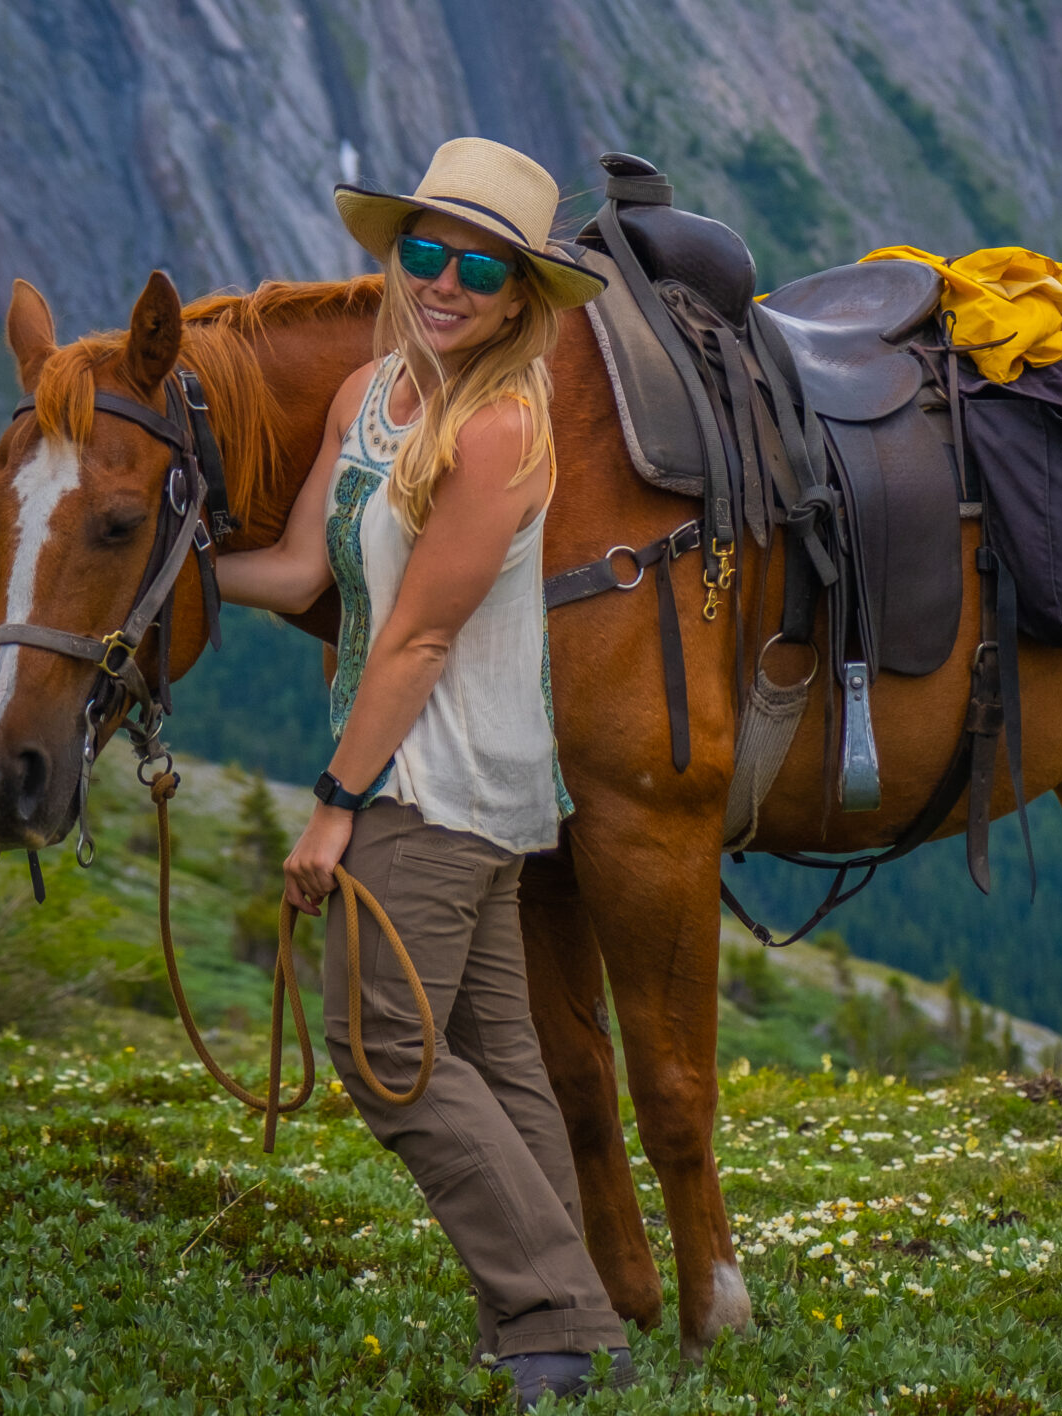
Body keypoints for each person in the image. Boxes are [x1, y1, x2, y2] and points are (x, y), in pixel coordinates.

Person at [216, 137, 634, 1407]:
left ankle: (556, 1320)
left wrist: (335, 807)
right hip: (437, 778)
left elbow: (417, 636)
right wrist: (165, 567)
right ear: (396, 254)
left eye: (479, 266)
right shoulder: (370, 395)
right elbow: (302, 574)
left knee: (381, 1047)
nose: (444, 282)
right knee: (496, 1058)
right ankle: (576, 1310)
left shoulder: (503, 423)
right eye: (425, 250)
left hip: (434, 783)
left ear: (518, 295)